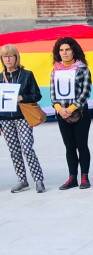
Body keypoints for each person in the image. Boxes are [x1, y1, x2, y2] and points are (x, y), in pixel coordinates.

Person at [0, 44, 45, 193]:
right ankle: (22, 180)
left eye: (10, 56)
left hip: (23, 117)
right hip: (5, 119)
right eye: (4, 56)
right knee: (14, 150)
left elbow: (37, 95)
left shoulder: (27, 74)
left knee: (27, 148)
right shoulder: (0, 77)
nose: (7, 59)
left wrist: (22, 97)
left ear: (16, 57)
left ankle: (38, 179)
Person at [50, 37, 92, 190]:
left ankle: (84, 176)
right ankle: (72, 177)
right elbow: (52, 93)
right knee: (69, 147)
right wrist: (60, 109)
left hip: (79, 114)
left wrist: (71, 108)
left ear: (74, 50)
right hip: (62, 114)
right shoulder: (55, 69)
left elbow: (86, 92)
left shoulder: (82, 69)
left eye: (67, 49)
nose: (64, 53)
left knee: (82, 145)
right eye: (61, 50)